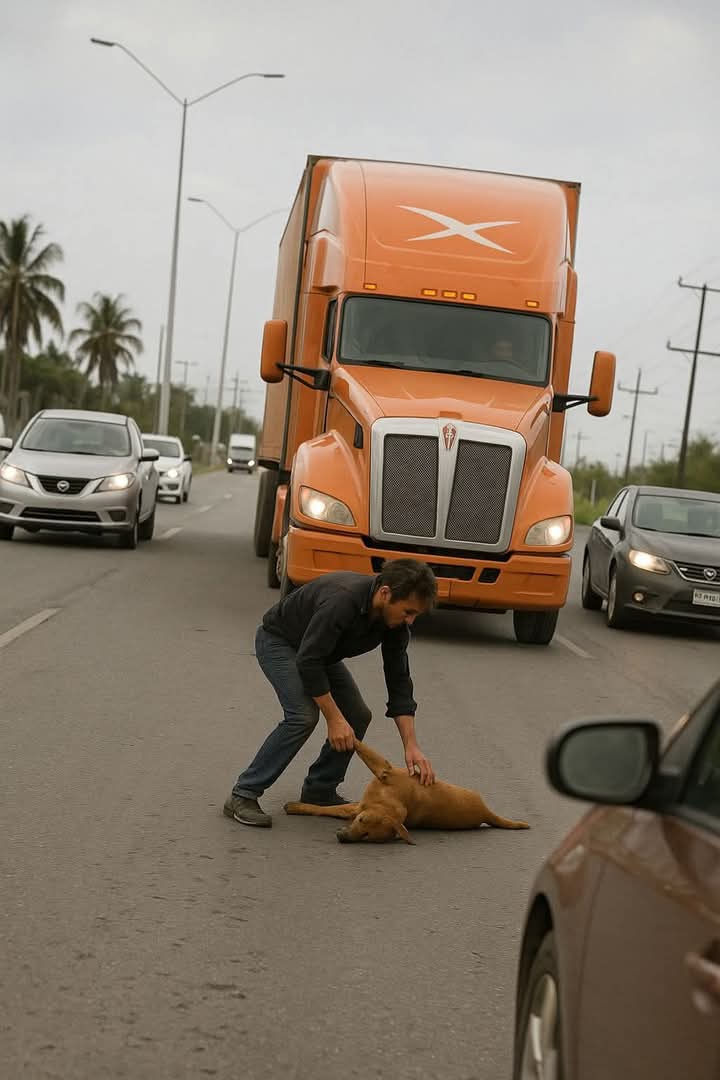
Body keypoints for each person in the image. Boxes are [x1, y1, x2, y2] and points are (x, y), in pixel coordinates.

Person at [224, 558, 438, 828]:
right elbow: (308, 661)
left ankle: (320, 790)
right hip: (281, 643)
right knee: (303, 716)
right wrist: (334, 719)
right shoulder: (342, 601)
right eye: (408, 612)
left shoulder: (394, 624)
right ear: (385, 593)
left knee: (357, 715)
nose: (410, 620)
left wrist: (411, 746)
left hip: (319, 653)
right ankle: (243, 794)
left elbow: (399, 681)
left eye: (415, 614)